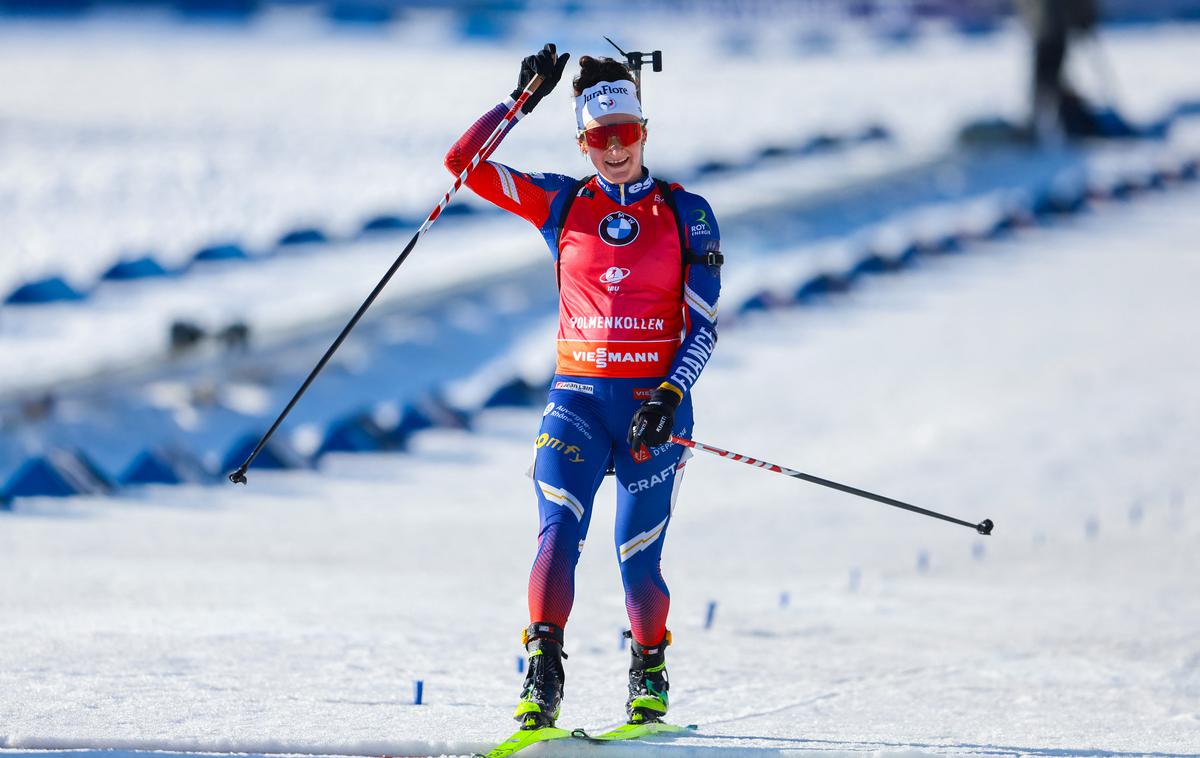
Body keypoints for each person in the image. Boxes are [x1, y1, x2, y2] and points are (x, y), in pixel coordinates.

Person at [443, 43, 723, 729]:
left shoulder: (686, 212)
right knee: (556, 533)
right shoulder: (561, 202)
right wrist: (517, 104)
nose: (615, 150)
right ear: (583, 142)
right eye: (601, 138)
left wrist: (669, 396)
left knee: (636, 559)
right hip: (575, 401)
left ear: (644, 134)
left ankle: (648, 670)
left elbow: (705, 326)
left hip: (651, 415)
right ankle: (542, 679)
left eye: (625, 135)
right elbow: (463, 167)